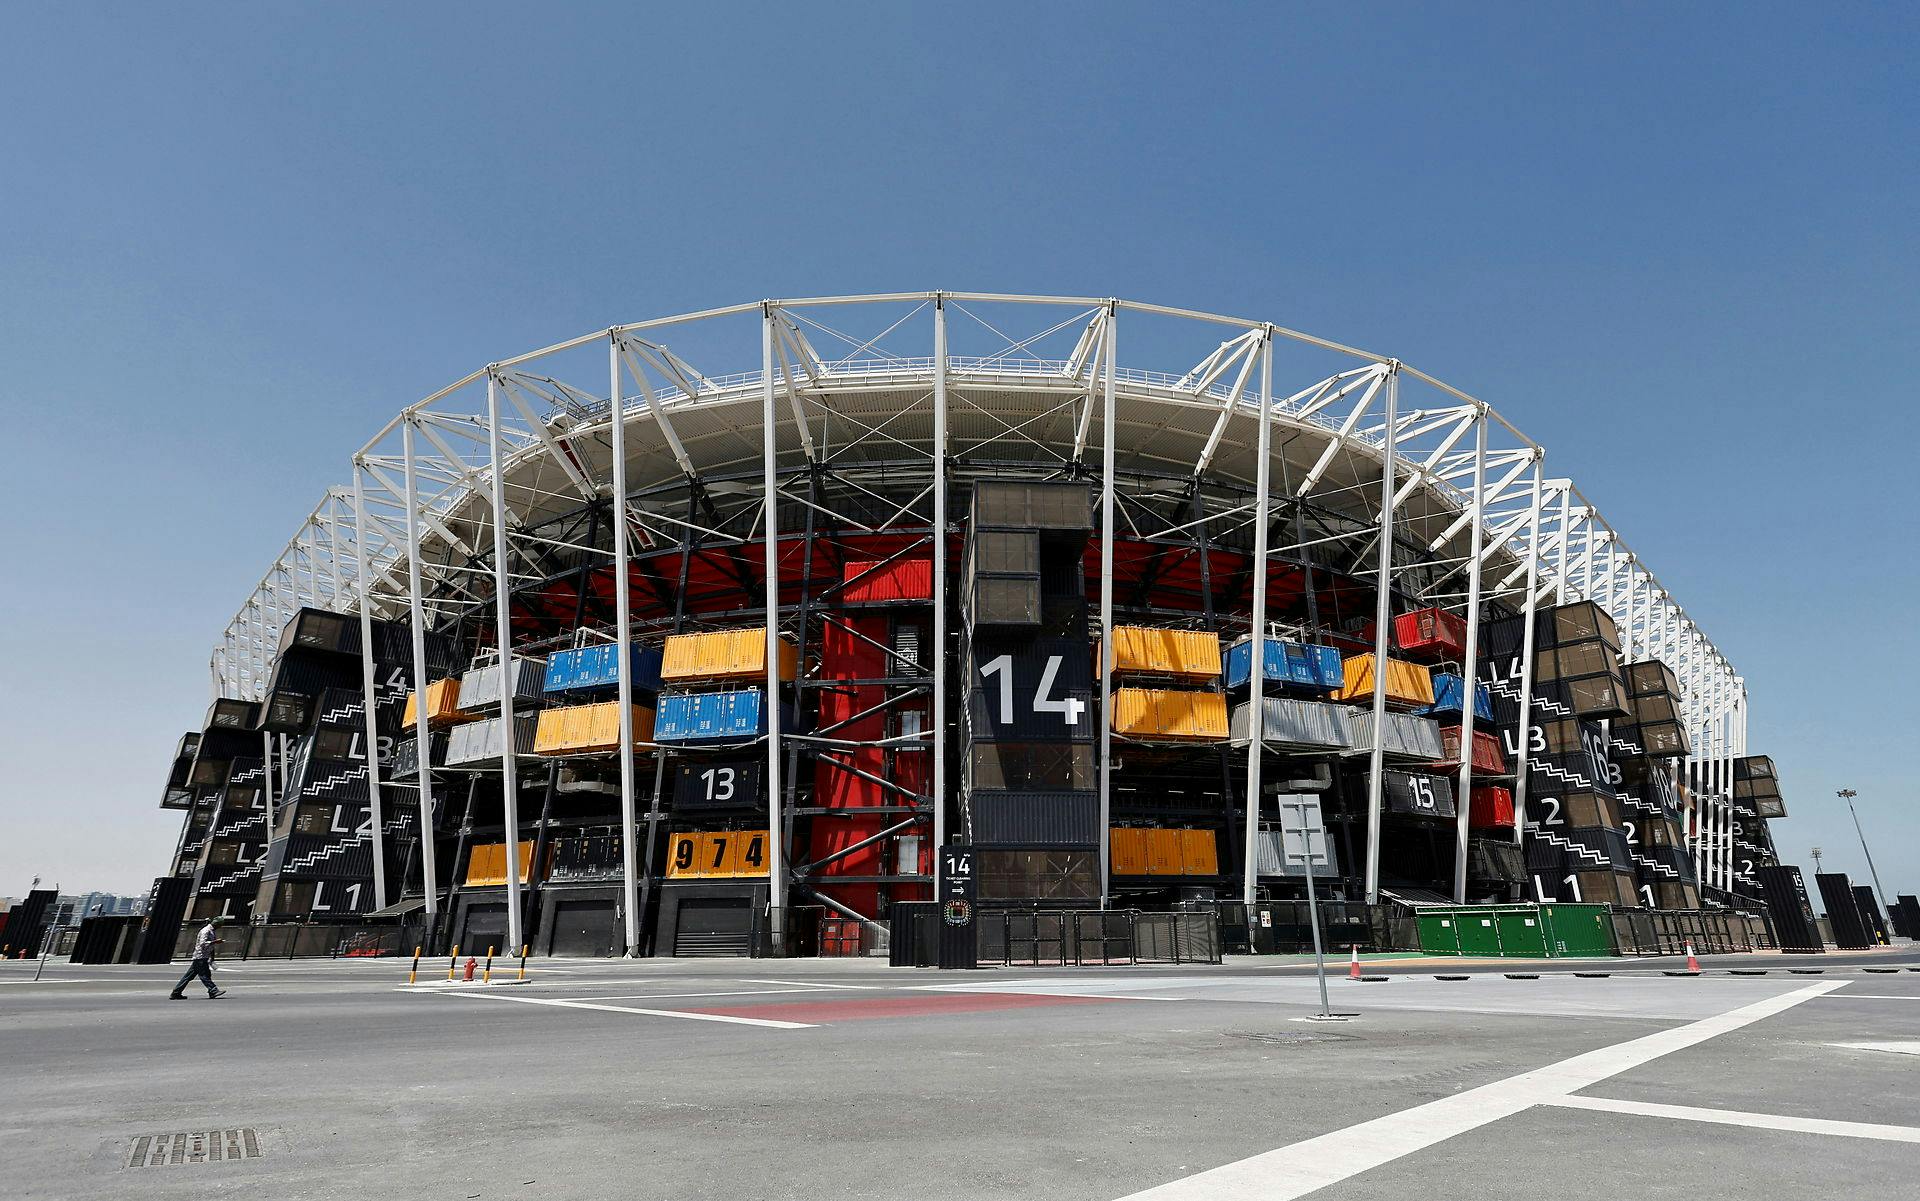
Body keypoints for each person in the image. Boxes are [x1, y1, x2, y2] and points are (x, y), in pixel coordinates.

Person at [169, 916, 228, 1000]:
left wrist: (212, 957)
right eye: (220, 925)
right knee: (204, 975)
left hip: (204, 956)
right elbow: (202, 944)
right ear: (217, 924)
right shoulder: (206, 931)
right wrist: (215, 942)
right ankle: (213, 990)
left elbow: (211, 946)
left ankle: (176, 993)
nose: (221, 927)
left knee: (188, 976)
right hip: (200, 956)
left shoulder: (212, 931)